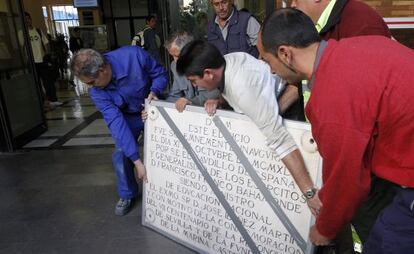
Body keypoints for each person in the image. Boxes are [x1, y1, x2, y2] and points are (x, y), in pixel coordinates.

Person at [259, 8, 414, 254]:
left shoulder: (331, 94)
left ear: (285, 53)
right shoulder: (355, 47)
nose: (271, 71)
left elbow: (348, 179)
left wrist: (324, 229)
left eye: (267, 61)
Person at [176, 40, 322, 218]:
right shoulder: (226, 62)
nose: (195, 86)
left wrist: (309, 193)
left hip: (288, 115)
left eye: (193, 81)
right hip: (269, 108)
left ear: (208, 74)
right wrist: (220, 100)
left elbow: (282, 141)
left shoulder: (244, 90)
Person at [70, 46, 168, 216]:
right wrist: (137, 162)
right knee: (122, 151)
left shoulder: (134, 56)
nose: (90, 87)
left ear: (103, 70)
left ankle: (170, 189)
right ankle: (127, 194)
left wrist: (154, 91)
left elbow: (160, 74)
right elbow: (116, 122)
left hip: (153, 106)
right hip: (128, 116)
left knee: (167, 147)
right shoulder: (96, 91)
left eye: (91, 82)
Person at [279, 0, 391, 121]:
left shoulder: (360, 22)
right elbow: (303, 79)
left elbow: (366, 97)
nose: (293, 5)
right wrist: (275, 111)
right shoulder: (314, 25)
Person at [165, 31, 221, 113]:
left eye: (177, 56)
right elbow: (174, 95)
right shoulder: (175, 66)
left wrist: (189, 101)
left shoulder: (206, 65)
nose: (175, 61)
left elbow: (211, 96)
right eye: (172, 56)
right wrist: (155, 107)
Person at [18, 12, 62, 107]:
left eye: (28, 18)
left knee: (48, 81)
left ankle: (53, 100)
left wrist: (47, 55)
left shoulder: (38, 31)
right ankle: (40, 101)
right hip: (32, 62)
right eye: (25, 19)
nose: (27, 21)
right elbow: (21, 48)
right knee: (35, 83)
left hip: (42, 60)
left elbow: (46, 43)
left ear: (30, 19)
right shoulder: (21, 33)